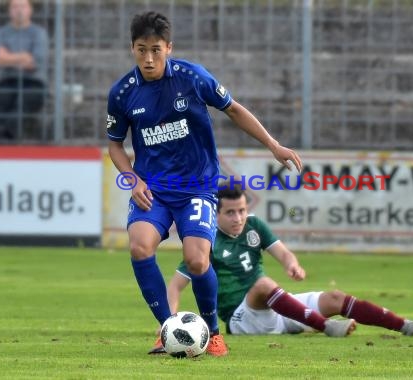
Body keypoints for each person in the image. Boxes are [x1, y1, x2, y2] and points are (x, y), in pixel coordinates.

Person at [106, 12, 302, 357]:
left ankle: (212, 333)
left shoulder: (193, 77)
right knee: (139, 247)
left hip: (197, 187)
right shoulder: (122, 93)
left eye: (156, 50)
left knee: (197, 262)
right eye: (141, 50)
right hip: (153, 188)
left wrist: (273, 144)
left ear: (169, 47)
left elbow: (234, 109)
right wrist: (131, 178)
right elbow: (114, 145)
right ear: (131, 49)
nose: (148, 59)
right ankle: (168, 330)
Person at [157, 184, 413, 353]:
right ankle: (326, 326)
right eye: (230, 212)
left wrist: (293, 265)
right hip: (241, 319)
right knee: (263, 284)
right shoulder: (205, 240)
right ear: (215, 213)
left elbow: (283, 252)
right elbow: (175, 285)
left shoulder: (254, 225)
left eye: (242, 210)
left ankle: (406, 325)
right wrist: (167, 322)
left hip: (277, 307)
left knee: (335, 298)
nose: (238, 217)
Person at [0, 0, 48, 140]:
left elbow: (35, 62)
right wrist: (23, 56)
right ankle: (6, 136)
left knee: (27, 99)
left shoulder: (39, 33)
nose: (19, 10)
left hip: (33, 81)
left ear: (30, 10)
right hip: (7, 79)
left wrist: (9, 58)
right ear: (9, 11)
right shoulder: (1, 33)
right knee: (3, 97)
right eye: (15, 6)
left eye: (23, 6)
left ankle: (5, 136)